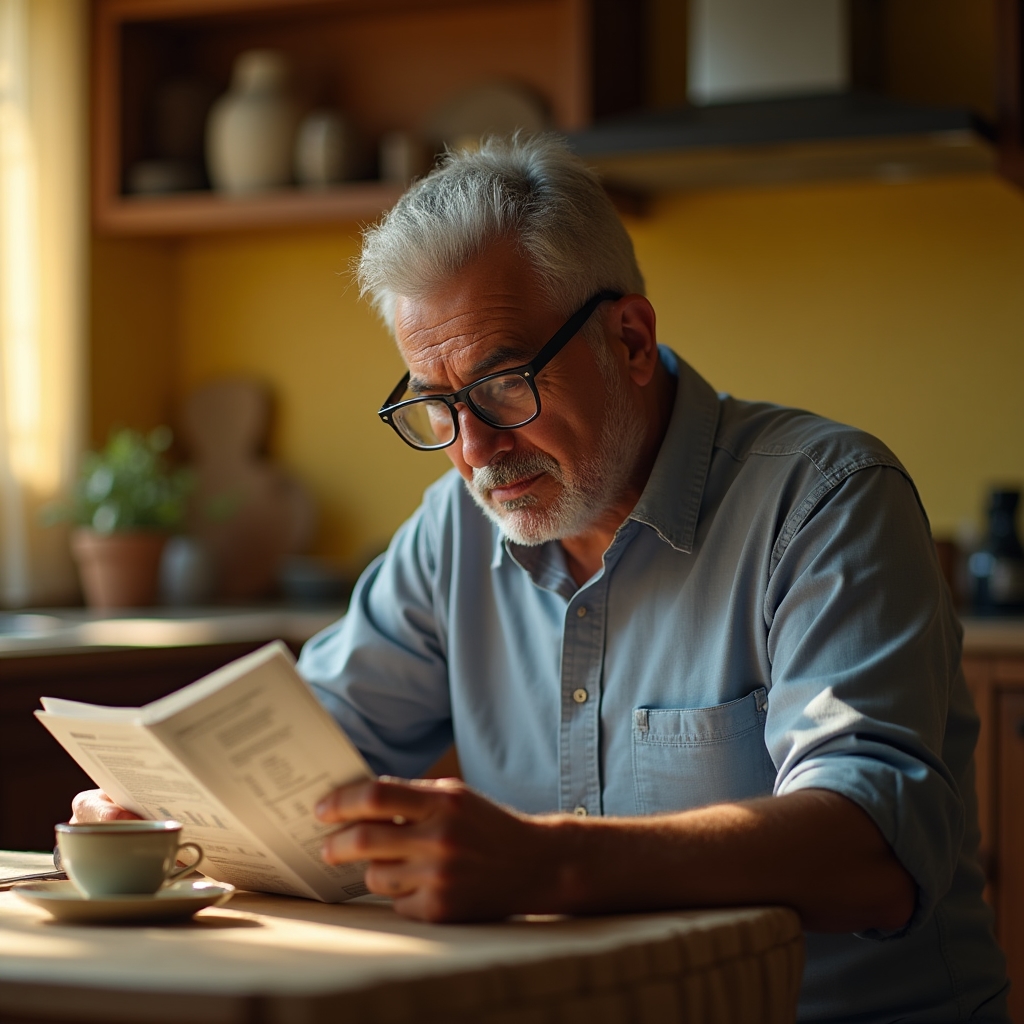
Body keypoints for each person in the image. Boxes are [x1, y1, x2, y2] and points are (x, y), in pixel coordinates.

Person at [74, 135, 1009, 1022]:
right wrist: (168, 798)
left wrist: (548, 863)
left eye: (504, 383)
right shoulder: (455, 529)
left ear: (632, 342)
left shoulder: (825, 498)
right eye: (437, 406)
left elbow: (875, 847)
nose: (475, 451)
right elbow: (297, 745)